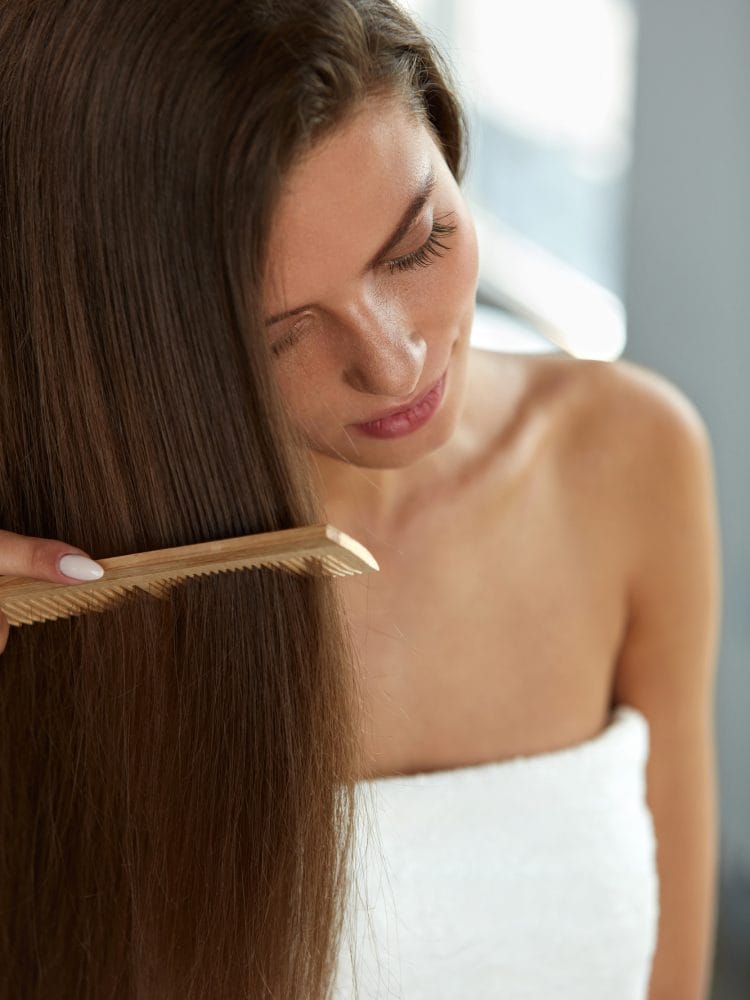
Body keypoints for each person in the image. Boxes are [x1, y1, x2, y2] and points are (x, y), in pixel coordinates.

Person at [0, 1, 720, 998]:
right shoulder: (55, 580)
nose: (394, 363)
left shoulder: (630, 459)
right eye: (282, 331)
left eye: (418, 244)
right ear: (144, 359)